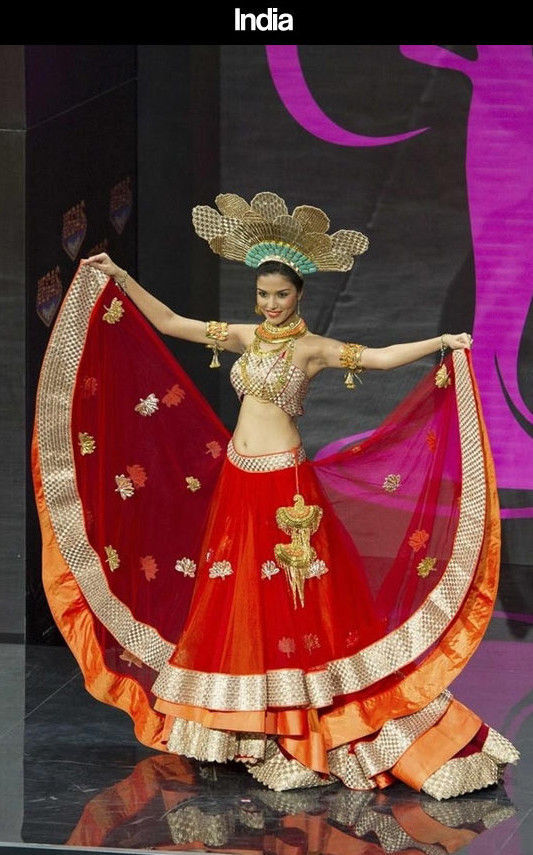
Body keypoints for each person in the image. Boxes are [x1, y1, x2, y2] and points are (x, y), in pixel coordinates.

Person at [32, 191, 519, 797]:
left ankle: (296, 727)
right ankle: (245, 730)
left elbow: (379, 358)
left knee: (292, 605)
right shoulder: (246, 337)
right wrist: (121, 278)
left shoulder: (309, 349)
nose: (269, 305)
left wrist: (440, 343)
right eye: (262, 294)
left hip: (286, 488)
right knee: (237, 597)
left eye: (280, 295)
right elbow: (174, 324)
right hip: (238, 479)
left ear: (299, 296)